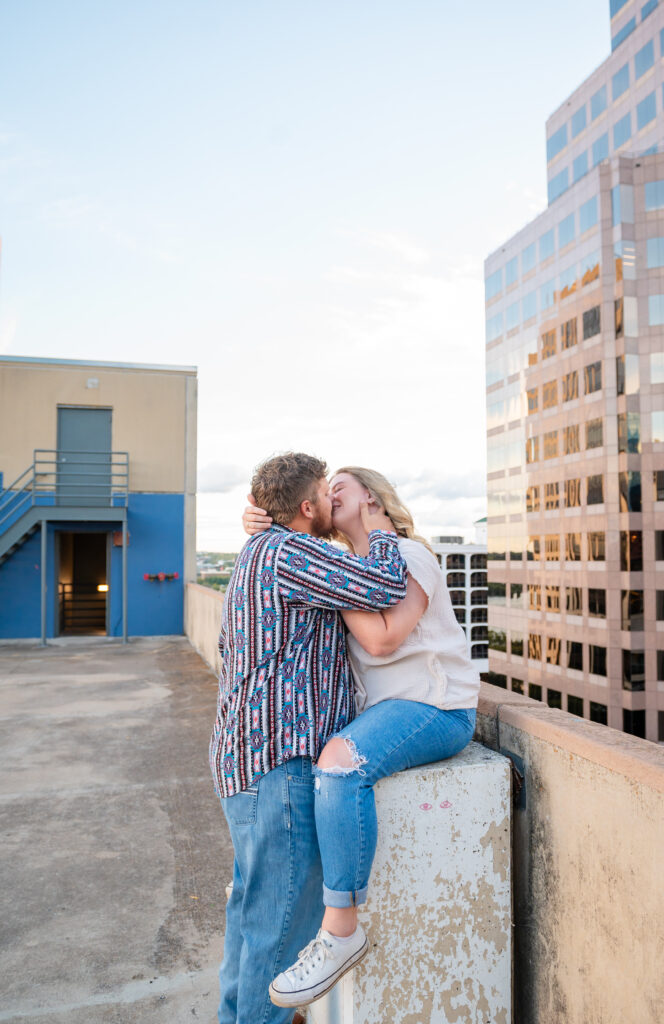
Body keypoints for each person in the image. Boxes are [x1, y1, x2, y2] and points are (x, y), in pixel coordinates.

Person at [242, 466, 480, 1009]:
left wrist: (334, 584)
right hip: (395, 710)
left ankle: (342, 930)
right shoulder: (351, 566)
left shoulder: (407, 554)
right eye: (324, 492)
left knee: (341, 762)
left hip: (435, 707)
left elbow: (383, 638)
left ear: (370, 496)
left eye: (339, 486)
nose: (328, 494)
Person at [209, 452, 408, 1024]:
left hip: (245, 764)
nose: (332, 501)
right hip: (280, 766)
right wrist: (379, 528)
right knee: (277, 936)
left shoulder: (259, 552)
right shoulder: (291, 553)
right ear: (306, 506)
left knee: (251, 923)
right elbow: (385, 582)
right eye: (327, 492)